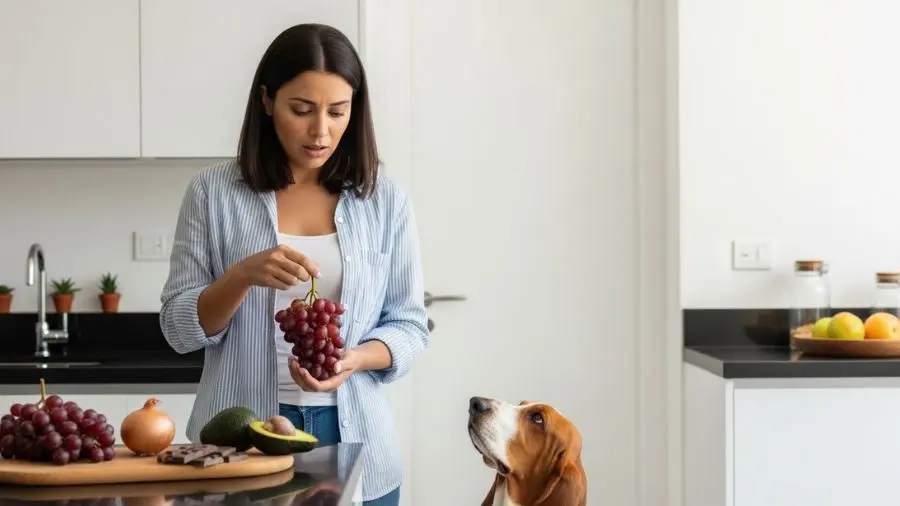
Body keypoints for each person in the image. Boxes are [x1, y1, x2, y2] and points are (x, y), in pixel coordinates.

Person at [159, 23, 429, 506]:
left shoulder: (384, 200)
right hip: (237, 446)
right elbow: (180, 329)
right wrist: (242, 275)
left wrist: (355, 359)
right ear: (267, 101)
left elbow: (409, 326)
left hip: (358, 444)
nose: (320, 130)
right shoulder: (212, 194)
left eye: (337, 111)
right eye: (301, 110)